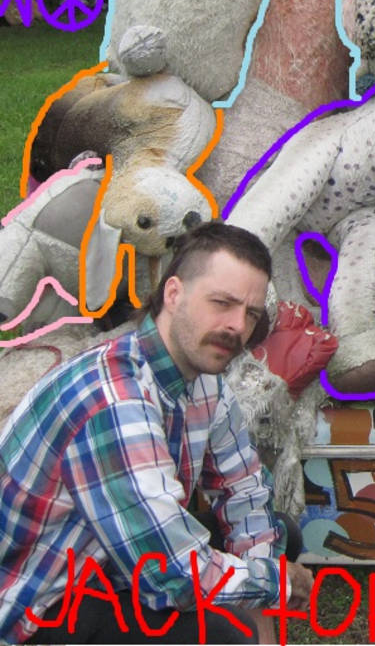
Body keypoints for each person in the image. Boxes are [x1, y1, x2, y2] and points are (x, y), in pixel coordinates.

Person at [0, 221, 314, 644]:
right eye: (222, 303)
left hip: (108, 560)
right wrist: (278, 583)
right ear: (173, 293)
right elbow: (170, 574)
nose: (237, 326)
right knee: (219, 636)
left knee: (279, 532)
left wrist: (263, 599)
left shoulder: (203, 379)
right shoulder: (115, 400)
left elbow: (244, 490)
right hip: (36, 607)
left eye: (251, 314)